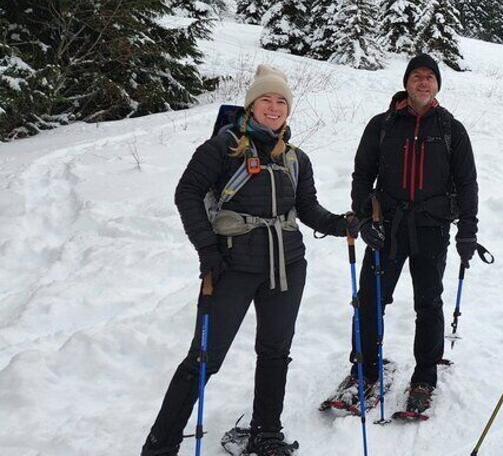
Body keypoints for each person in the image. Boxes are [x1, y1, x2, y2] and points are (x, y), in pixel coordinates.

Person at [141, 64, 357, 456]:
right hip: (232, 265)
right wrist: (207, 249)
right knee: (205, 358)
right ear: (251, 105)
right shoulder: (222, 148)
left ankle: (266, 433)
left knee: (275, 352)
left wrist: (346, 224)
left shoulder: (295, 158)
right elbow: (186, 193)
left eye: (281, 102)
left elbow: (307, 209)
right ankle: (160, 445)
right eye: (266, 100)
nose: (273, 108)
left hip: (287, 265)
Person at [342, 53, 479, 414]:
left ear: (437, 85)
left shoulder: (451, 129)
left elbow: (467, 184)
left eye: (429, 77)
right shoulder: (383, 125)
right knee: (371, 298)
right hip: (386, 228)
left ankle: (425, 376)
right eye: (416, 76)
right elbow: (360, 175)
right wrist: (365, 219)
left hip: (432, 229)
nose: (423, 82)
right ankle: (366, 367)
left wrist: (467, 231)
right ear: (406, 83)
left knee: (429, 303)